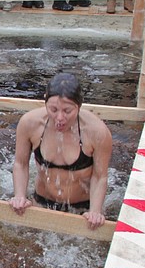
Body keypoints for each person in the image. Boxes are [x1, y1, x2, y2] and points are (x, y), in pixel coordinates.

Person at [8, 72, 111, 229]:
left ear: (79, 106)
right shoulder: (29, 124)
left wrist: (95, 212)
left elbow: (100, 176)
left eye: (67, 111)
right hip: (42, 204)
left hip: (81, 211)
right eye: (53, 109)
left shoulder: (97, 132)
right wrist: (20, 196)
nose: (60, 118)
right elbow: (20, 164)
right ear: (45, 102)